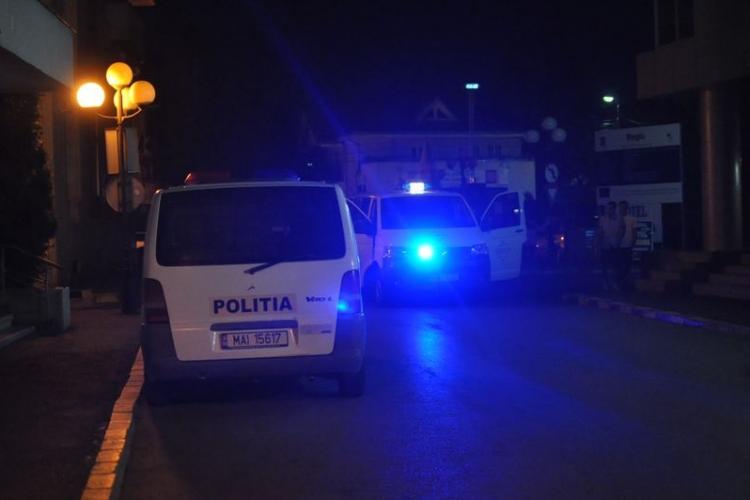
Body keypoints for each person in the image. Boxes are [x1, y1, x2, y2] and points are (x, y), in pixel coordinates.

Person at [597, 201, 624, 291]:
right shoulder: (603, 219)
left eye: (610, 208)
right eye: (607, 208)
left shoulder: (619, 219)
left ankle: (614, 283)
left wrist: (618, 240)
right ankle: (606, 283)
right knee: (605, 266)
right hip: (605, 245)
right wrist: (598, 243)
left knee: (615, 265)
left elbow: (622, 230)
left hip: (615, 245)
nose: (608, 210)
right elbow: (600, 232)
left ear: (614, 209)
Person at [618, 200, 637, 289]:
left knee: (627, 265)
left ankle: (625, 283)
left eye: (624, 206)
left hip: (628, 245)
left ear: (627, 207)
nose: (623, 208)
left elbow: (634, 232)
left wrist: (633, 243)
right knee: (619, 265)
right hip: (617, 245)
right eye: (621, 206)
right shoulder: (616, 218)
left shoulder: (632, 218)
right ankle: (620, 282)